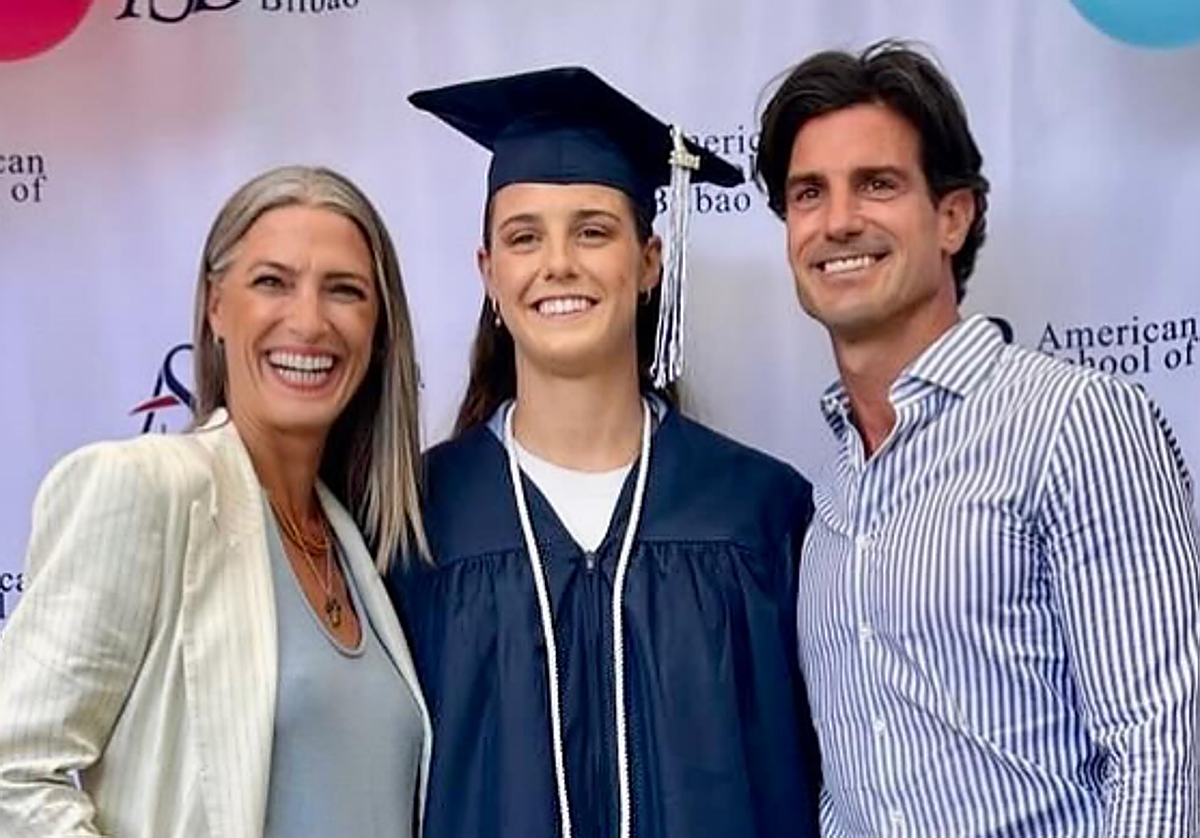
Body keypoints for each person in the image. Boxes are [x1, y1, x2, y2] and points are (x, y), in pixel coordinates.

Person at [755, 39, 1200, 836]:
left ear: (952, 216)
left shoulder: (1071, 423)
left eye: (878, 184)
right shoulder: (828, 499)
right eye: (808, 194)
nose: (839, 221)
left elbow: (1160, 744)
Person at [388, 67, 820, 838]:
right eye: (524, 237)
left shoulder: (759, 511)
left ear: (648, 261)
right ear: (489, 273)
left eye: (592, 230)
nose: (559, 264)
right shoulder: (417, 521)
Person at [0, 165, 432, 838]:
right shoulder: (146, 490)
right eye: (272, 283)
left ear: (378, 332)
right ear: (215, 305)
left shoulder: (360, 546)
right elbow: (12, 771)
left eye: (344, 291)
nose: (310, 321)